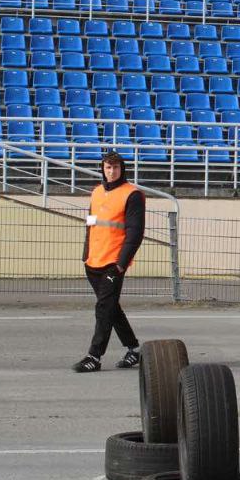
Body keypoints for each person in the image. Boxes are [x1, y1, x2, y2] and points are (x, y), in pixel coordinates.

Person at [73, 151, 145, 373]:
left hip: (113, 263)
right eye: (108, 167)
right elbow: (91, 225)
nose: (112, 171)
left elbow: (135, 234)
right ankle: (134, 349)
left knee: (104, 308)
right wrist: (86, 255)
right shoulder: (96, 192)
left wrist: (121, 264)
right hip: (93, 261)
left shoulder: (132, 194)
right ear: (102, 169)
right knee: (111, 308)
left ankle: (94, 356)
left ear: (122, 169)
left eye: (115, 167)